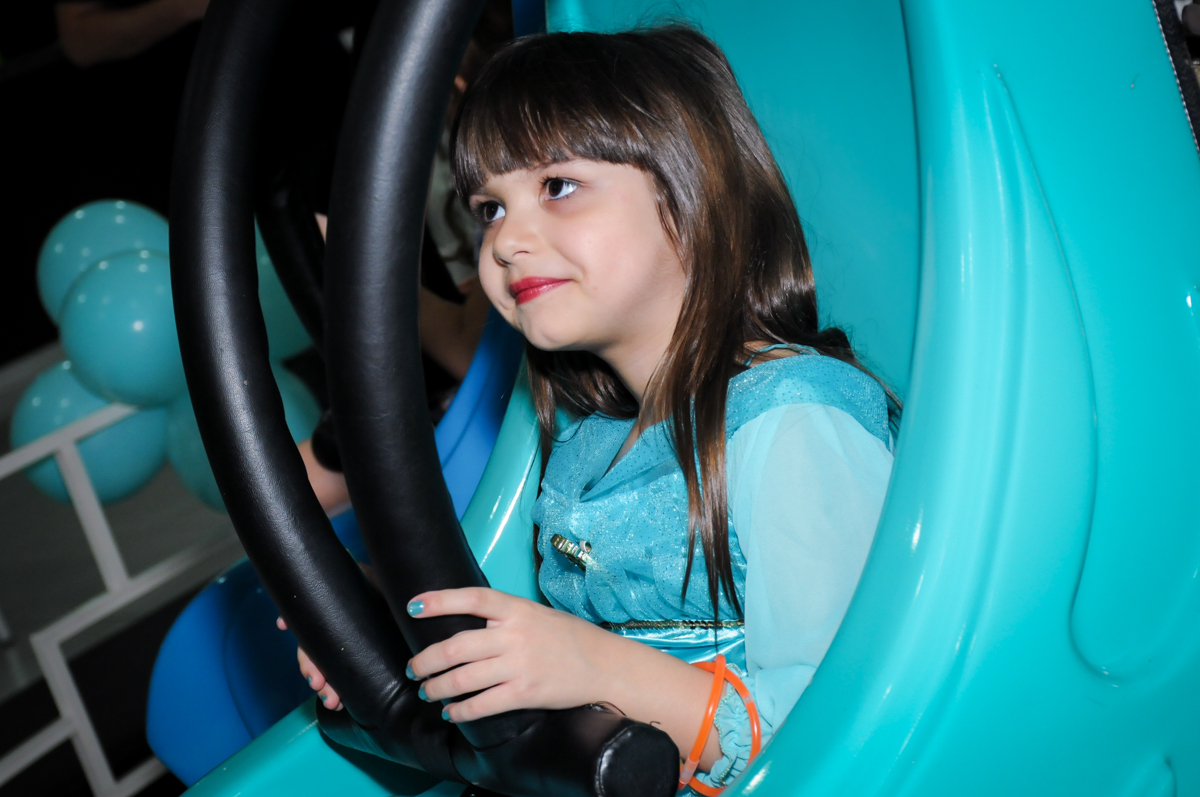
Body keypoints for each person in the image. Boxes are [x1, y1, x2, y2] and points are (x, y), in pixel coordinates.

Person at [292, 26, 897, 792]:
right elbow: (535, 638)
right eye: (487, 208)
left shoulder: (791, 419)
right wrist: (383, 619)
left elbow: (845, 729)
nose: (507, 240)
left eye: (557, 187)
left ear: (692, 189)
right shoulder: (588, 440)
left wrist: (592, 665)